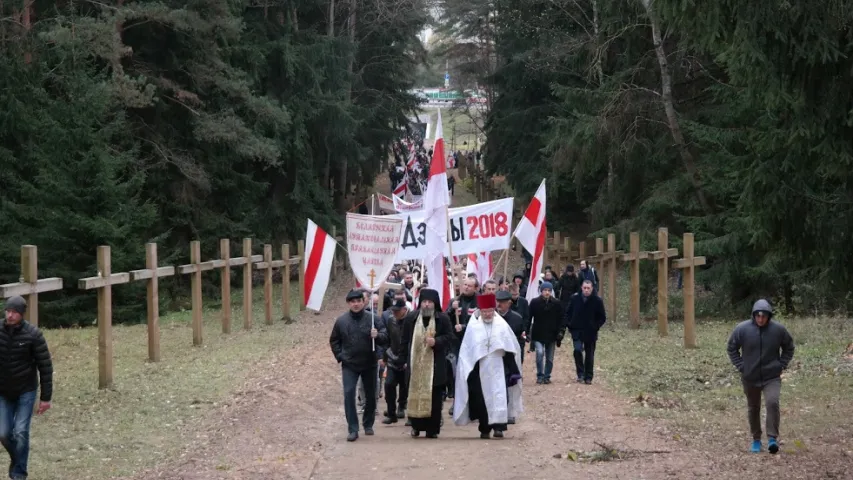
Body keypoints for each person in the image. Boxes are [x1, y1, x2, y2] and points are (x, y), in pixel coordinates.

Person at [727, 299, 795, 454]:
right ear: (754, 315)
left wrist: (781, 364)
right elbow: (731, 348)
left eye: (764, 316)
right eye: (758, 315)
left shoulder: (778, 330)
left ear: (769, 316)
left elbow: (789, 347)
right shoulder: (742, 329)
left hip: (771, 376)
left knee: (772, 402)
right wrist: (741, 366)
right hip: (750, 376)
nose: (760, 319)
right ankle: (756, 439)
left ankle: (772, 438)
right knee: (753, 407)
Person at [452, 293, 523, 439]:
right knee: (482, 399)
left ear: (494, 310)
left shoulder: (502, 325)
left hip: (499, 366)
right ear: (480, 311)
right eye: (485, 312)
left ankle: (499, 428)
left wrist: (512, 369)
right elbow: (467, 349)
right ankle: (484, 428)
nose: (488, 314)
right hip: (480, 368)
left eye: (490, 311)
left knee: (500, 396)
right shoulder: (474, 326)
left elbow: (510, 347)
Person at [0, 296, 53, 480]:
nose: (10, 315)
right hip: (3, 391)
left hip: (26, 390)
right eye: (8, 311)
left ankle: (18, 474)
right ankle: (18, 460)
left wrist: (46, 398)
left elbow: (45, 366)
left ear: (22, 314)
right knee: (4, 433)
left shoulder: (33, 334)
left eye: (14, 312)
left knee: (21, 432)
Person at [329, 289, 389, 442]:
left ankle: (368, 423)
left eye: (358, 301)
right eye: (352, 302)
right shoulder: (341, 321)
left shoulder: (373, 319)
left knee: (371, 394)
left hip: (369, 363)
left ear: (364, 302)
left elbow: (385, 336)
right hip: (349, 364)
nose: (356, 304)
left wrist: (378, 335)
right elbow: (334, 340)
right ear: (349, 303)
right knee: (349, 394)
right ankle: (353, 428)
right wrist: (340, 356)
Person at [400, 289, 454, 438]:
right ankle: (416, 427)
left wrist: (436, 341)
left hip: (435, 366)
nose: (427, 305)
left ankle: (432, 429)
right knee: (414, 395)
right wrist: (402, 360)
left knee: (434, 399)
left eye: (430, 302)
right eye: (424, 302)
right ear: (420, 303)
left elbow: (450, 337)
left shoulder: (442, 319)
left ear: (435, 304)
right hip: (415, 364)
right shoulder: (411, 318)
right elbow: (404, 341)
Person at [561, 280, 606, 384]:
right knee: (577, 350)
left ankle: (588, 376)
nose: (586, 290)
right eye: (584, 288)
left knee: (589, 355)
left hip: (591, 332)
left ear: (592, 288)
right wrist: (569, 324)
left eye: (588, 288)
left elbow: (602, 317)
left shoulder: (597, 300)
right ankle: (580, 373)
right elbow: (567, 313)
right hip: (576, 330)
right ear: (581, 288)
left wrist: (595, 326)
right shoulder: (574, 298)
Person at [527, 282, 562, 384]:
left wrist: (560, 331)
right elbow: (529, 318)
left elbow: (561, 318)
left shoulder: (556, 303)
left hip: (552, 334)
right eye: (545, 290)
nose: (547, 292)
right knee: (540, 352)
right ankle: (540, 375)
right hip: (538, 333)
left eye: (549, 291)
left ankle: (547, 376)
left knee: (550, 358)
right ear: (541, 291)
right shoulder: (534, 302)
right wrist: (527, 331)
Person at [381, 299, 410, 424]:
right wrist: (384, 357)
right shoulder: (390, 321)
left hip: (407, 360)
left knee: (405, 387)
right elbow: (387, 339)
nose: (395, 313)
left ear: (404, 310)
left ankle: (402, 407)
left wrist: (408, 359)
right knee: (389, 385)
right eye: (393, 311)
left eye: (397, 311)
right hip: (393, 357)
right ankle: (391, 413)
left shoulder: (411, 321)